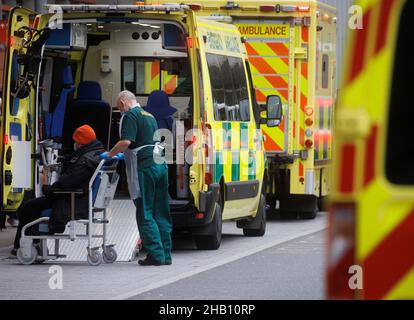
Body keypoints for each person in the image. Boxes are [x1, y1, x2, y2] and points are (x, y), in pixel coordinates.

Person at [11, 125, 105, 256]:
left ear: (82, 142)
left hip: (69, 200)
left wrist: (50, 189)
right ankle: (35, 243)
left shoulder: (86, 159)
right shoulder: (94, 154)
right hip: (73, 198)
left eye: (76, 141)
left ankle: (23, 247)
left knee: (28, 208)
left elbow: (69, 181)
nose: (74, 144)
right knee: (29, 207)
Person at [104, 90, 172, 266]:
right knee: (160, 212)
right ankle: (166, 255)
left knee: (145, 211)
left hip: (146, 167)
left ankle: (156, 256)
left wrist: (110, 154)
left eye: (119, 107)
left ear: (123, 102)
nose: (120, 110)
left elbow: (126, 142)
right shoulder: (149, 115)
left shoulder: (131, 115)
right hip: (160, 165)